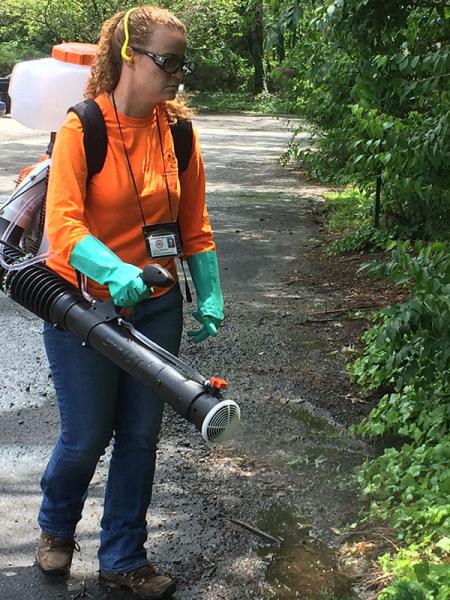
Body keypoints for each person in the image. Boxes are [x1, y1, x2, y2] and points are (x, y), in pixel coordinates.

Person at [35, 6, 224, 600]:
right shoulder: (82, 127)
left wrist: (210, 288)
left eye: (180, 65)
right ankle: (56, 526)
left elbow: (194, 222)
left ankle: (124, 557)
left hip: (157, 304)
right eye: (166, 62)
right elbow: (62, 225)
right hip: (84, 306)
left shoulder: (179, 131)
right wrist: (113, 270)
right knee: (86, 436)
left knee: (141, 437)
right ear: (128, 57)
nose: (175, 75)